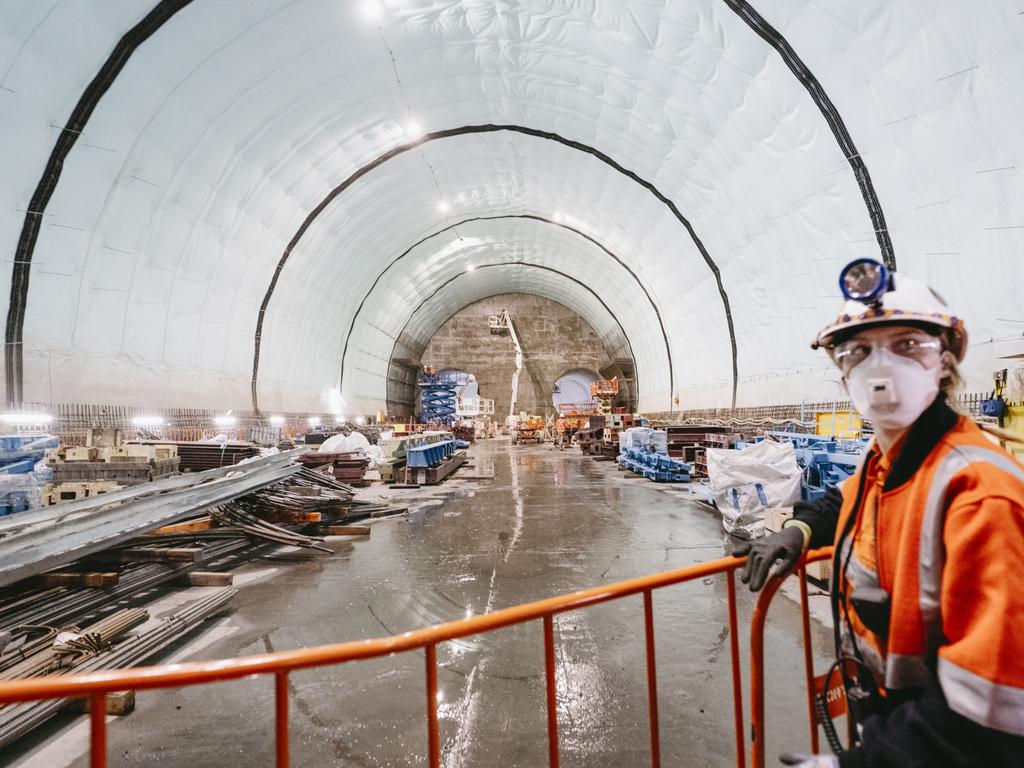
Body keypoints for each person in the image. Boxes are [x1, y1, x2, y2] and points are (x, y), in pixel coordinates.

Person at [733, 259, 1024, 767]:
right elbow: (846, 497)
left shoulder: (981, 496)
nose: (880, 368)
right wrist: (799, 530)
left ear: (947, 360)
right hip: (891, 718)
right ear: (841, 370)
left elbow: (993, 720)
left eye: (908, 345)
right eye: (858, 351)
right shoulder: (888, 458)